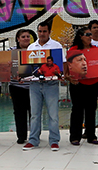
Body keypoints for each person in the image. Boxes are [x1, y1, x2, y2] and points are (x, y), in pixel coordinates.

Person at [23, 21, 62, 151]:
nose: (42, 34)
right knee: (34, 114)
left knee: (53, 114)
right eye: (40, 31)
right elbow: (28, 67)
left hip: (51, 84)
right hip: (35, 84)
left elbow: (62, 64)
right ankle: (33, 140)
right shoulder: (31, 47)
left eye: (44, 31)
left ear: (49, 32)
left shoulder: (56, 46)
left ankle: (54, 141)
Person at [66, 27, 98, 146]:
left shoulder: (95, 50)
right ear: (80, 36)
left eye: (91, 34)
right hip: (78, 83)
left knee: (91, 110)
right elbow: (67, 66)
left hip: (93, 83)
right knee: (77, 110)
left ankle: (91, 135)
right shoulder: (73, 50)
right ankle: (75, 136)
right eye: (87, 34)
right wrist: (69, 77)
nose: (90, 36)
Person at [10, 29, 33, 143]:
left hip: (32, 86)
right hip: (16, 87)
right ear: (18, 39)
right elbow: (5, 67)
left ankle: (34, 135)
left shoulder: (34, 50)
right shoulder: (11, 51)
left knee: (33, 112)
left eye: (28, 36)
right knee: (19, 112)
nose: (26, 38)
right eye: (23, 36)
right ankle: (21, 136)